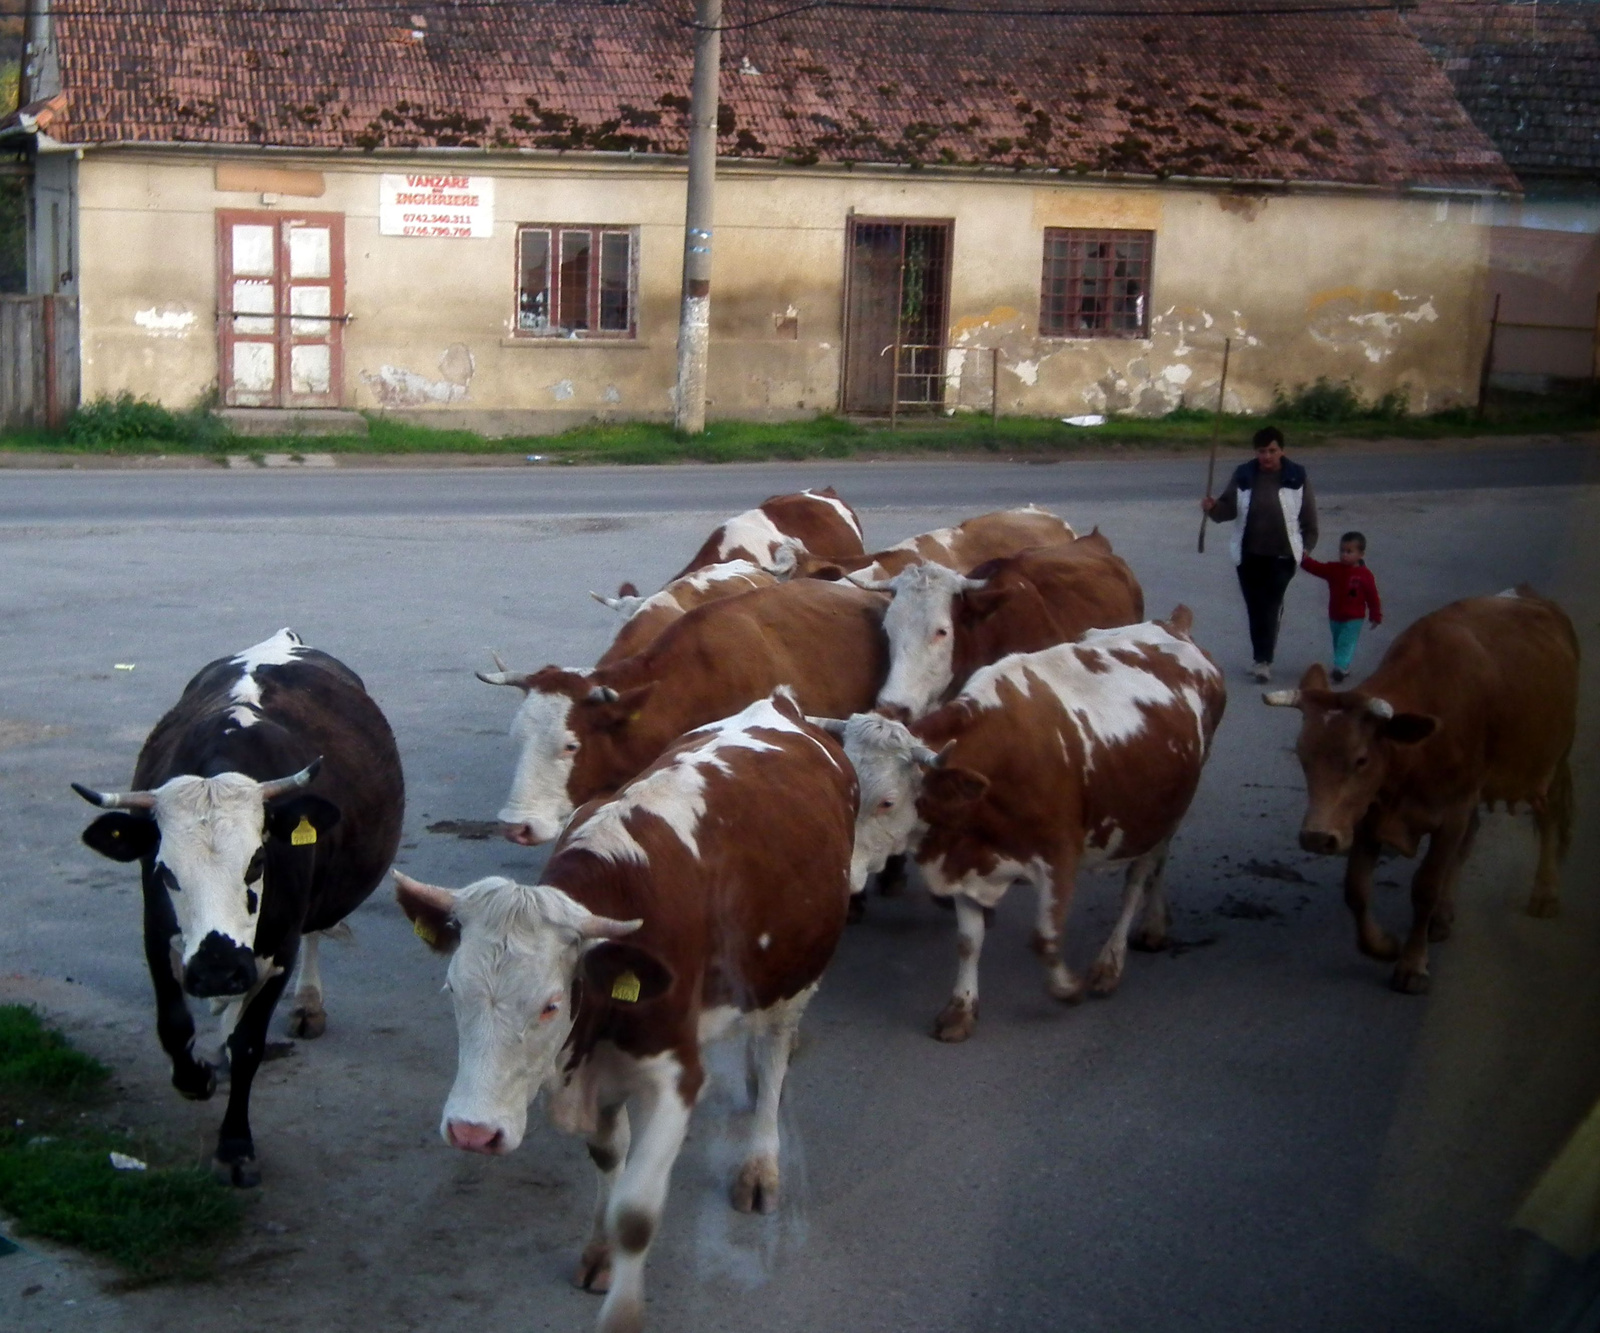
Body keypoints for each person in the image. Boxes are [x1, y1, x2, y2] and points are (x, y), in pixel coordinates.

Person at [1201, 426, 1319, 683]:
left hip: (1283, 555)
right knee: (1255, 607)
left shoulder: (1296, 476)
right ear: (1255, 452)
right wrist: (1212, 508)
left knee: (1270, 604)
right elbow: (1227, 510)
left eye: (1272, 451)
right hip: (1249, 555)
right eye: (1262, 451)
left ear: (1282, 450)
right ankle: (1260, 658)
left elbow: (1308, 515)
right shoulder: (1244, 475)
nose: (1267, 456)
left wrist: (1307, 545)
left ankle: (1264, 660)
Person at [1300, 531, 1382, 683]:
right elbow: (1316, 567)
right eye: (1342, 551)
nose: (1344, 554)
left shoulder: (1365, 575)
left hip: (1354, 617)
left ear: (1361, 554)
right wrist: (1302, 559)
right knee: (1338, 641)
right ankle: (1343, 665)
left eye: (1349, 551)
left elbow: (1373, 597)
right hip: (1335, 616)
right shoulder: (1334, 569)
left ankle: (1340, 667)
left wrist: (1375, 615)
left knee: (1346, 642)